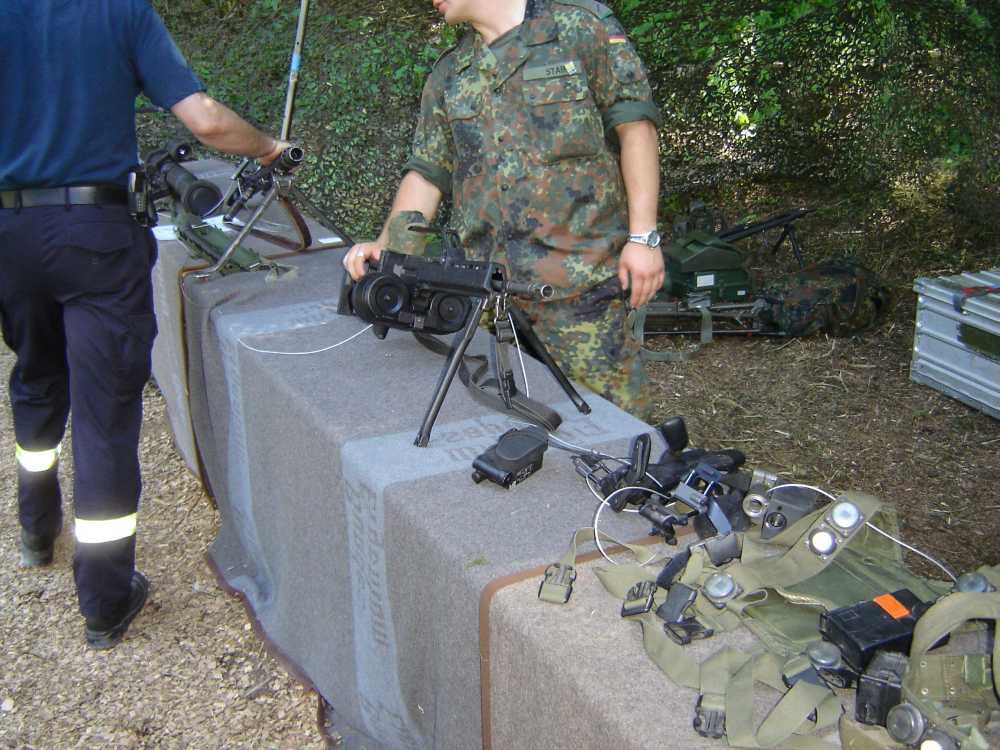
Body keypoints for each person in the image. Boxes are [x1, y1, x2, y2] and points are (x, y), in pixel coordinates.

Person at [0, 0, 290, 650]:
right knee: (103, 414)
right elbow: (205, 120)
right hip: (97, 235)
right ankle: (105, 603)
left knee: (36, 377)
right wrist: (270, 148)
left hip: (11, 232)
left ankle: (35, 529)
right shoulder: (119, 11)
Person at [346, 0, 664, 418]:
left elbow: (635, 127)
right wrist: (389, 250)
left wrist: (644, 237)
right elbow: (427, 172)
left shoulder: (578, 26)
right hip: (488, 298)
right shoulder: (450, 74)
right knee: (509, 423)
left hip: (581, 291)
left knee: (617, 429)